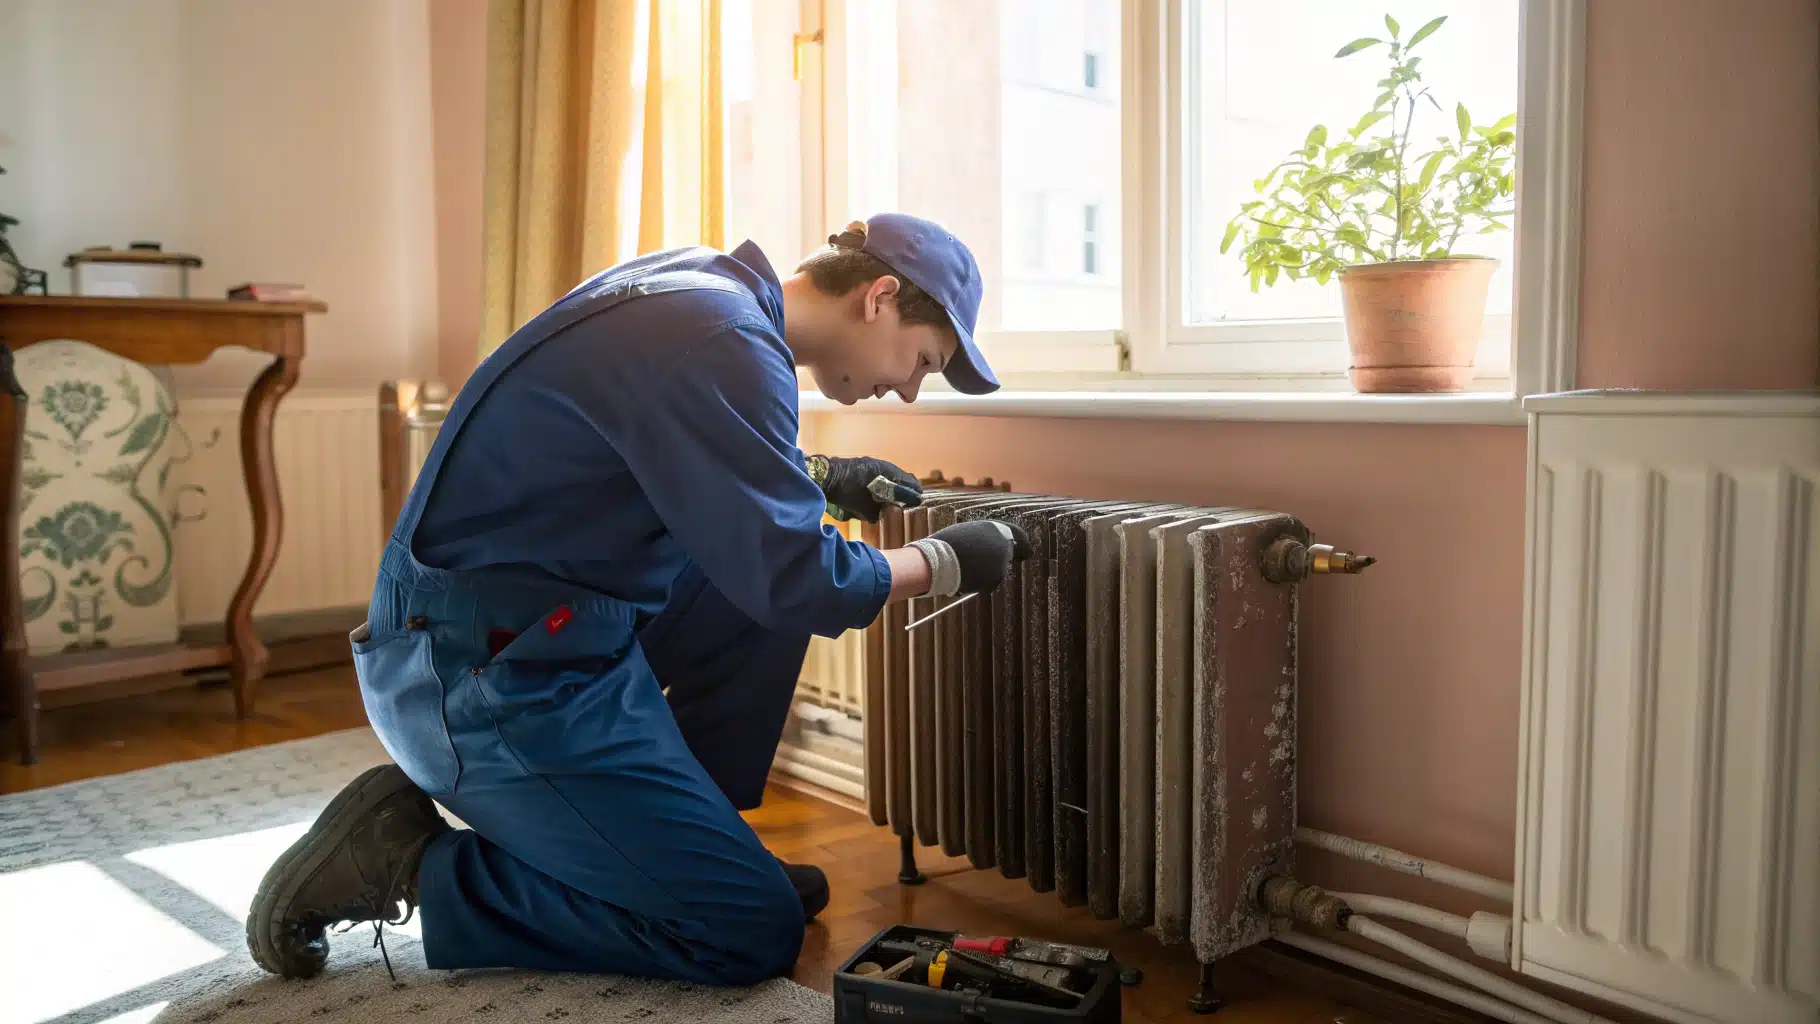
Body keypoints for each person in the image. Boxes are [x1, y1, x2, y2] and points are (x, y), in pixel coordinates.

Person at [245, 214, 1030, 987]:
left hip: (514, 626)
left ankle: (680, 846)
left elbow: (676, 457)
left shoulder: (703, 293)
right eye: (921, 360)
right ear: (880, 296)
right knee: (748, 930)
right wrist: (940, 561)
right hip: (475, 674)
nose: (908, 390)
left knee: (739, 593)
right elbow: (798, 577)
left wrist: (820, 476)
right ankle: (410, 862)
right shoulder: (723, 340)